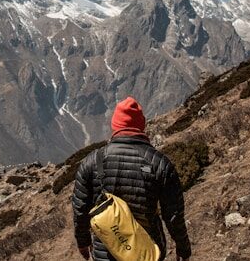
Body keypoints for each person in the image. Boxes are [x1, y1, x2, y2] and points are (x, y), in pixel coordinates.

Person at [72, 96, 192, 261]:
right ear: (141, 126)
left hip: (107, 250)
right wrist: (183, 248)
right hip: (147, 250)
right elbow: (174, 215)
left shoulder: (92, 161)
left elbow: (80, 209)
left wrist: (83, 242)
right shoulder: (160, 164)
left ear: (115, 126)